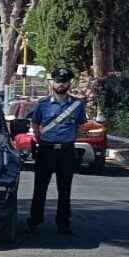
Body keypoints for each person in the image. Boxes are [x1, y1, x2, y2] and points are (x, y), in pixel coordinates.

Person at [27, 67, 87, 235]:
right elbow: (35, 125)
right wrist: (42, 141)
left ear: (70, 83)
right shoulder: (43, 104)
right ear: (52, 82)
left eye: (64, 81)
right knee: (40, 188)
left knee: (65, 189)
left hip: (66, 151)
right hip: (46, 150)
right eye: (58, 81)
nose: (61, 84)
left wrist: (69, 140)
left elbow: (80, 127)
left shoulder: (77, 105)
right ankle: (34, 220)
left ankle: (63, 223)